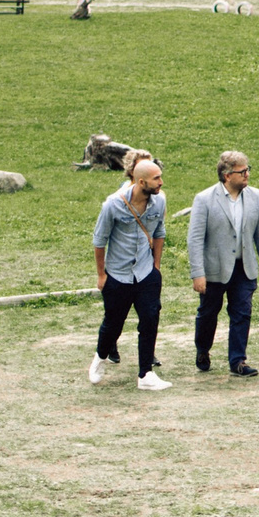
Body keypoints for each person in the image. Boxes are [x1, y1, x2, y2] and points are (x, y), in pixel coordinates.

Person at [185, 151, 259, 375]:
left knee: (242, 312)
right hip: (214, 268)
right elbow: (194, 239)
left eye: (248, 169)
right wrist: (197, 273)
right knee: (208, 313)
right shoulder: (204, 199)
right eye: (242, 171)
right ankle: (203, 349)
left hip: (244, 267)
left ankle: (238, 361)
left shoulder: (255, 196)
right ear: (227, 175)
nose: (247, 174)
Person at [91, 155, 170, 391]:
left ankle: (146, 373)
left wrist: (156, 267)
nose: (161, 182)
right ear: (141, 181)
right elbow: (99, 240)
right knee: (114, 323)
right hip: (118, 274)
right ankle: (100, 357)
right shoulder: (112, 204)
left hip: (146, 273)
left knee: (149, 318)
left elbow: (159, 233)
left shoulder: (159, 202)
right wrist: (102, 275)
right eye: (156, 178)